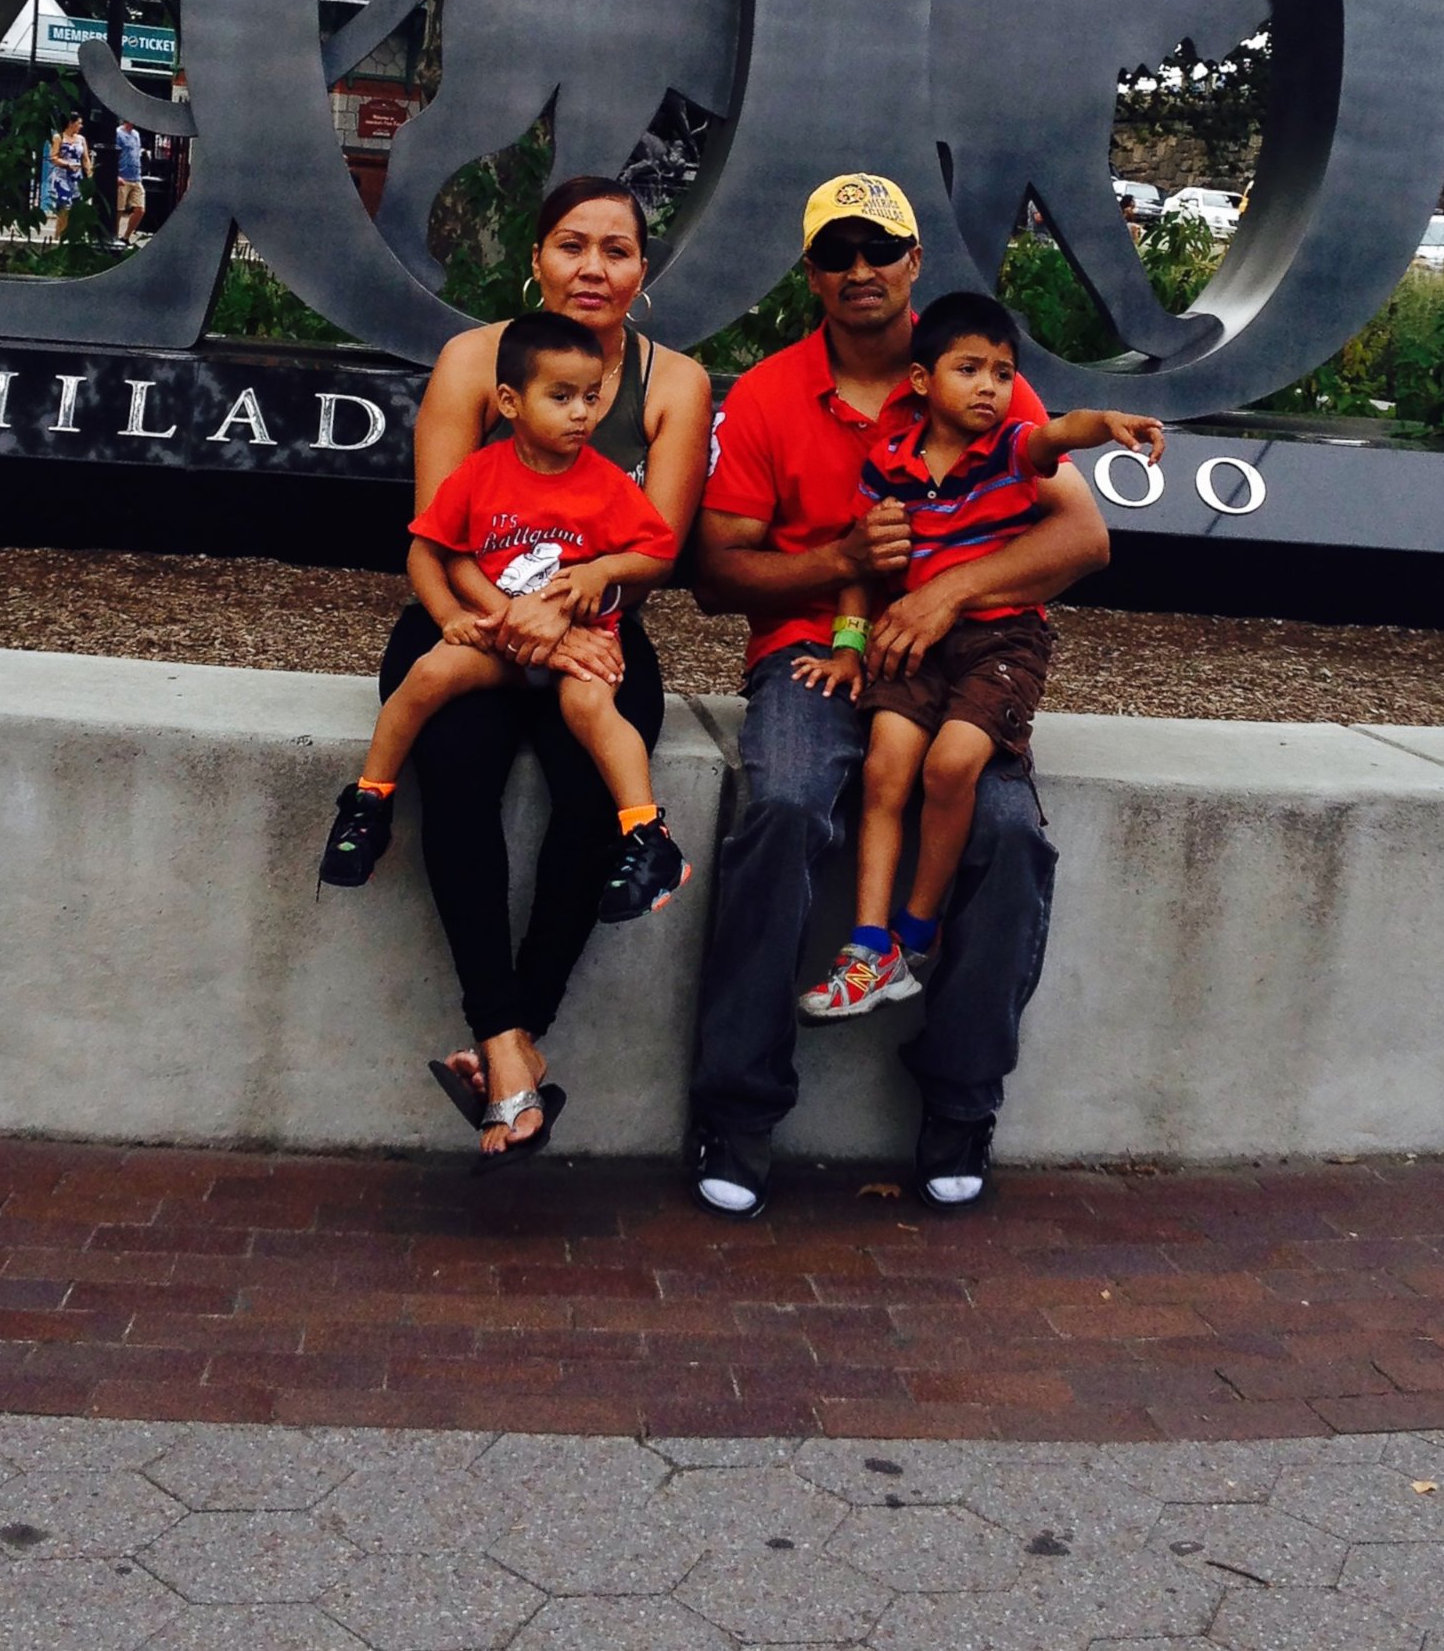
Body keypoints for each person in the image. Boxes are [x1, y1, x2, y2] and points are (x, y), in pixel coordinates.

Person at [689, 172, 1114, 1218]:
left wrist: (945, 593)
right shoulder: (766, 397)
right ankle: (738, 1111)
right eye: (836, 254)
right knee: (784, 808)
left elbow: (1081, 536)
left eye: (879, 249)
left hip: (962, 657)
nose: (859, 270)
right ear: (811, 274)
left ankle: (960, 1103)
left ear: (913, 261)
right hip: (811, 656)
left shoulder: (977, 371)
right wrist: (835, 555)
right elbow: (714, 572)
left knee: (1009, 839)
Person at [363, 177, 713, 1158]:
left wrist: (573, 618)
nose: (591, 268)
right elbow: (436, 533)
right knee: (459, 776)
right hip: (465, 618)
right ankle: (508, 1049)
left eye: (614, 249)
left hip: (597, 625)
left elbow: (658, 552)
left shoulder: (674, 384)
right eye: (570, 245)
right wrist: (516, 625)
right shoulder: (475, 361)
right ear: (536, 258)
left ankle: (514, 1039)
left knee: (593, 802)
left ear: (641, 269)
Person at [791, 290, 1163, 1020]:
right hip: (916, 645)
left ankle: (916, 929)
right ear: (924, 381)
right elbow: (866, 566)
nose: (989, 386)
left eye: (1001, 372)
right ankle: (868, 945)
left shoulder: (1009, 451)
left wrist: (1106, 423)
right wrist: (847, 648)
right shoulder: (888, 463)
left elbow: (1057, 435)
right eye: (970, 369)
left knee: (952, 764)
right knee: (884, 768)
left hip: (1000, 642)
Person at [321, 311, 690, 935]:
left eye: (592, 398)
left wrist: (601, 573)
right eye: (562, 397)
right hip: (498, 637)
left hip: (580, 640)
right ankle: (367, 802)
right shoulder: (479, 474)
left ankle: (647, 836)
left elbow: (658, 550)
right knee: (429, 674)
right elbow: (427, 550)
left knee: (594, 709)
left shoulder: (605, 485)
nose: (582, 414)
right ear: (510, 402)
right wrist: (449, 616)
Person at [45, 113, 90, 241]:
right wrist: (67, 164)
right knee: (64, 207)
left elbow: (85, 158)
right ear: (71, 123)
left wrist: (89, 173)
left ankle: (73, 237)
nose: (80, 126)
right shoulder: (59, 137)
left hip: (77, 177)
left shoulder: (81, 139)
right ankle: (59, 236)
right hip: (63, 176)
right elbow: (53, 157)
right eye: (78, 123)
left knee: (77, 208)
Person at [113, 121, 147, 244]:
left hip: (135, 176)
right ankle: (114, 235)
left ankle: (126, 236)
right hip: (123, 176)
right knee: (119, 209)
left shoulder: (136, 134)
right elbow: (114, 154)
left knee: (140, 209)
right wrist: (116, 175)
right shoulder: (118, 133)